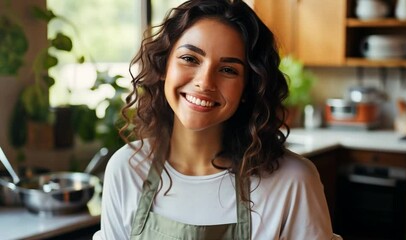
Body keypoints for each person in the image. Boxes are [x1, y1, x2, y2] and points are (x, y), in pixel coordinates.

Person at [93, 0, 339, 239]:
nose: (205, 82)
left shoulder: (291, 181)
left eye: (228, 70)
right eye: (190, 59)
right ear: (163, 66)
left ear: (248, 88)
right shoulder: (127, 169)